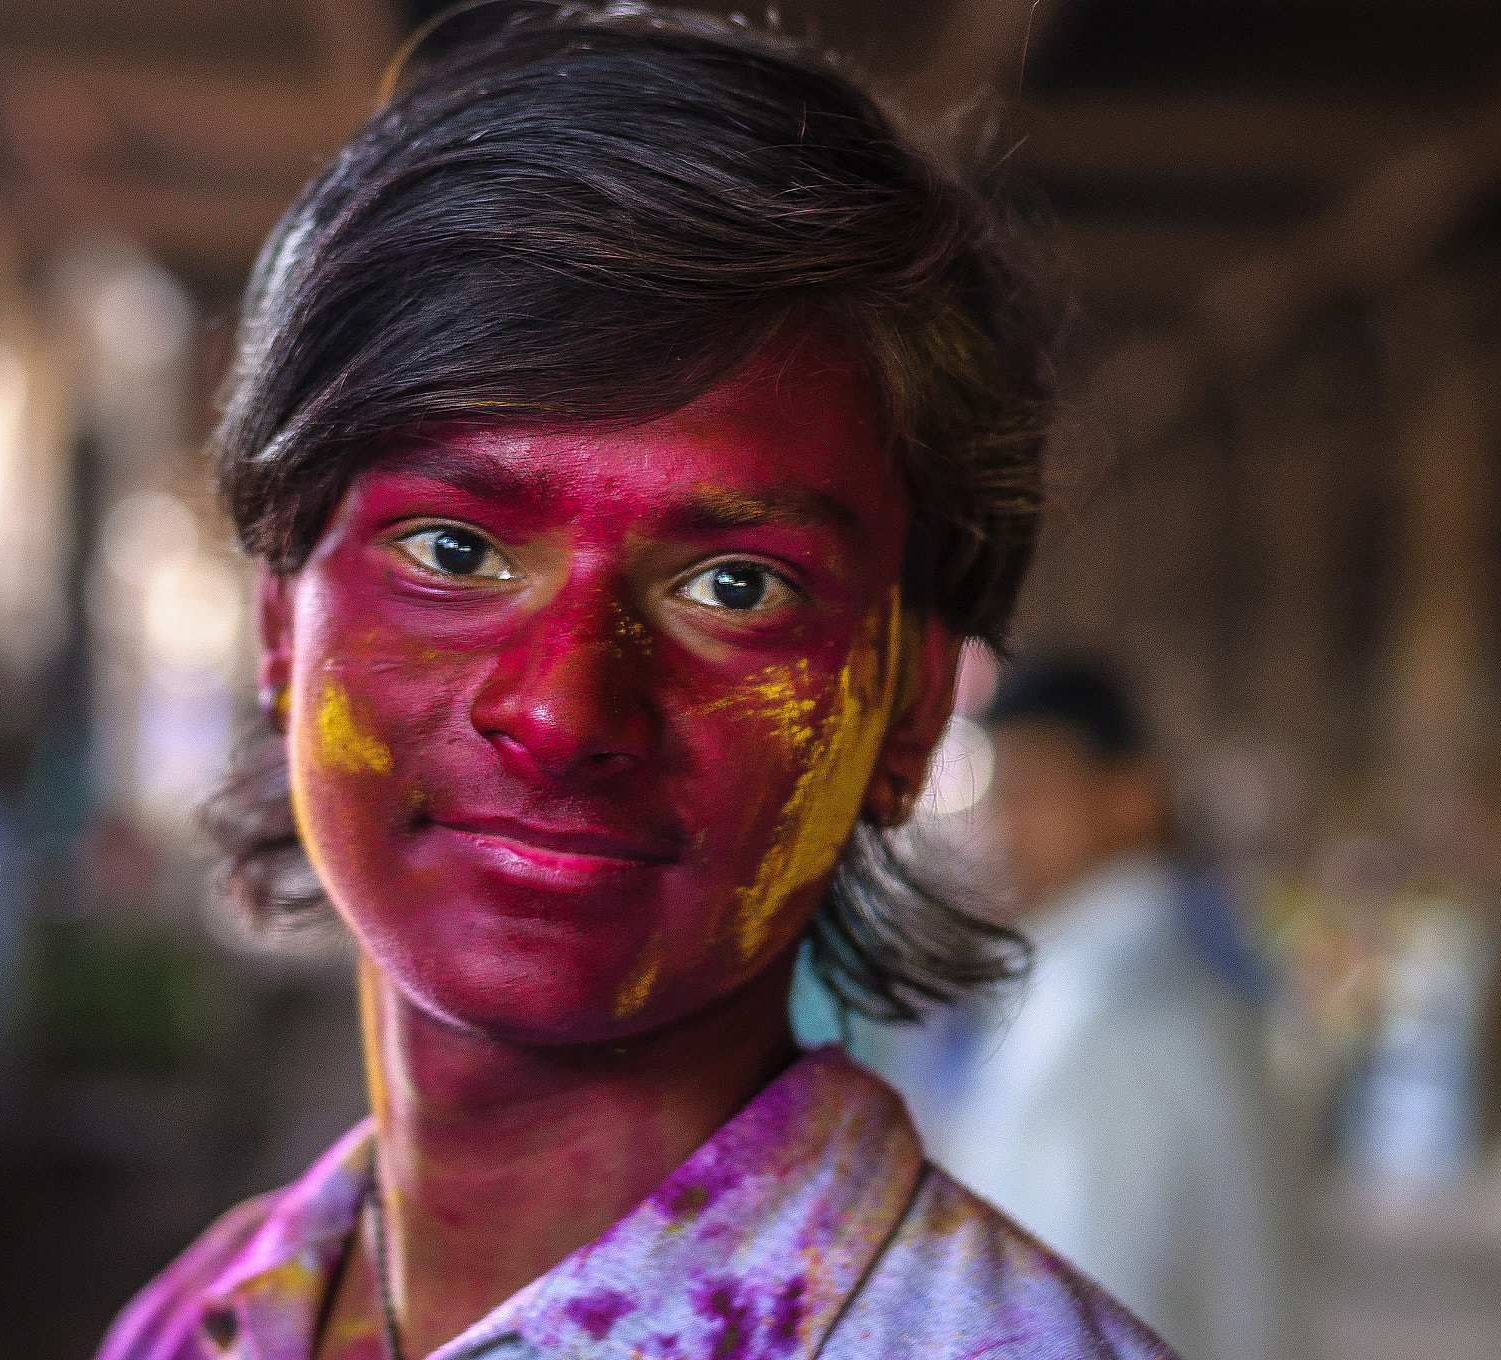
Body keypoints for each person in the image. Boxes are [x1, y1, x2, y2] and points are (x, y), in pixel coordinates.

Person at [101, 7, 1170, 1359]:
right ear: (278, 629)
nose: (561, 711)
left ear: (907, 711)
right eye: (453, 548)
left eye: (736, 586)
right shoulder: (206, 1321)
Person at [902, 659, 1293, 1360]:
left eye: (1031, 794)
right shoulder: (1143, 983)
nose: (1001, 829)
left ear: (1131, 797)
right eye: (997, 798)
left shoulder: (1111, 1021)